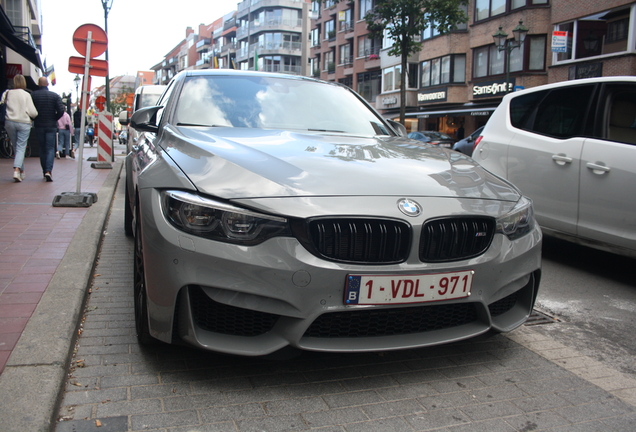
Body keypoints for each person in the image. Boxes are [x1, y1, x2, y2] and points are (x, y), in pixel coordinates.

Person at [2, 74, 38, 182]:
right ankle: (17, 169)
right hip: (23, 122)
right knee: (21, 147)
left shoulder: (7, 93)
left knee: (16, 146)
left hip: (9, 121)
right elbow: (33, 112)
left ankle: (22, 172)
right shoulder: (26, 94)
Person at [31, 76, 65, 182]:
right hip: (51, 125)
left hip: (39, 125)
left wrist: (35, 118)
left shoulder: (33, 95)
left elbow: (30, 109)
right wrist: (54, 118)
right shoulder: (54, 96)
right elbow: (61, 110)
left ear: (38, 84)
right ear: (47, 84)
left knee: (42, 148)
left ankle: (44, 170)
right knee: (50, 148)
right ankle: (48, 171)